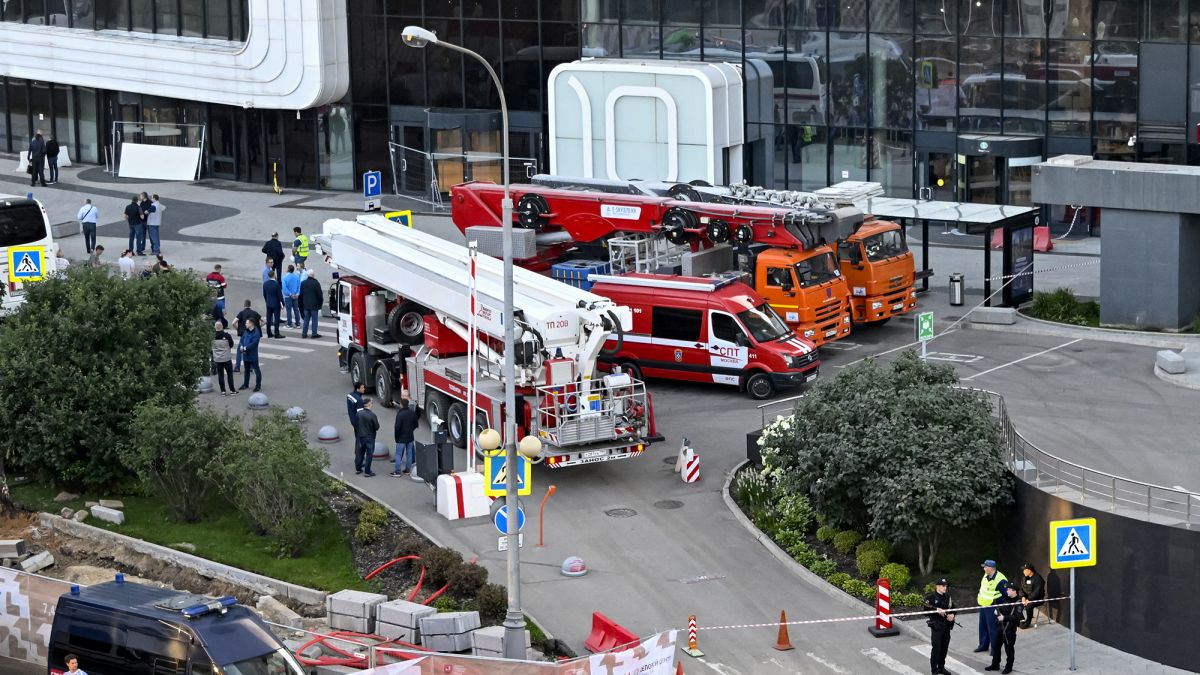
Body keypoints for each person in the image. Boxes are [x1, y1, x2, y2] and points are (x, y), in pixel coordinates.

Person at [923, 578, 956, 675]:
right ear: (937, 586)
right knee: (936, 649)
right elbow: (925, 610)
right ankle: (934, 671)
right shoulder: (931, 598)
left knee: (944, 648)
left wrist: (952, 615)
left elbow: (954, 608)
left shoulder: (948, 597)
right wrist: (936, 609)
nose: (945, 588)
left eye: (946, 586)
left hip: (947, 626)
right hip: (937, 627)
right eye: (943, 586)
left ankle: (941, 667)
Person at [986, 582, 1020, 673]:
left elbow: (1018, 617)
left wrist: (1004, 617)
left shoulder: (1018, 602)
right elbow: (1000, 608)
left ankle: (1008, 667)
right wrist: (997, 612)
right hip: (1000, 627)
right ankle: (995, 664)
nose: (1007, 591)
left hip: (1009, 629)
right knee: (996, 647)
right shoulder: (1005, 598)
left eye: (1009, 589)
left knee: (1009, 650)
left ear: (1014, 591)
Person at [975, 559, 1008, 654]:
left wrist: (999, 607)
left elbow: (1005, 595)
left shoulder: (1001, 580)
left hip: (993, 607)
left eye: (985, 567)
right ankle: (983, 646)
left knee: (993, 629)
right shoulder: (986, 575)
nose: (984, 568)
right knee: (983, 627)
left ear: (991, 568)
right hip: (983, 605)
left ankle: (995, 649)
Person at [391, 397, 422, 476]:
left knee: (398, 455)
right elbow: (416, 424)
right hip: (410, 437)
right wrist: (411, 430)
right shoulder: (412, 413)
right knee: (409, 454)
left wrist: (397, 437)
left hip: (401, 438)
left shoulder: (400, 414)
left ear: (401, 405)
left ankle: (397, 471)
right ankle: (407, 470)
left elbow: (397, 427)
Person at [234, 300, 262, 372]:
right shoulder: (255, 313)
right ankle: (251, 367)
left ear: (244, 305)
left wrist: (238, 329)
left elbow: (233, 322)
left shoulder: (241, 313)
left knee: (240, 350)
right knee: (252, 349)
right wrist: (258, 327)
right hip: (253, 333)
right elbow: (264, 321)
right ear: (250, 305)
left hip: (244, 334)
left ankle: (237, 367)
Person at [355, 398, 379, 477]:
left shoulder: (359, 413)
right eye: (371, 403)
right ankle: (367, 471)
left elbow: (356, 423)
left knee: (360, 452)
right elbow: (377, 427)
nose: (372, 405)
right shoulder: (372, 415)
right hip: (370, 437)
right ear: (369, 405)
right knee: (369, 454)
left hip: (361, 436)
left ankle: (358, 469)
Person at [212, 321, 237, 396]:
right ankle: (232, 390)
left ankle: (223, 391)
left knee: (220, 375)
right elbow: (231, 344)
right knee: (229, 374)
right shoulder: (227, 335)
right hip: (226, 358)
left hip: (217, 359)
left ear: (215, 327)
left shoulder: (212, 336)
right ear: (222, 327)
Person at [238, 318, 262, 392]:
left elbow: (254, 344)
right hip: (246, 354)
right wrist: (241, 345)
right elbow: (242, 339)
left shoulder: (256, 333)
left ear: (251, 323)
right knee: (246, 370)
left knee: (256, 370)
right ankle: (246, 384)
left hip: (252, 355)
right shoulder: (246, 331)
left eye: (247, 323)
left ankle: (258, 385)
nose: (245, 324)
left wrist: (245, 348)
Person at [1018, 563, 1045, 628]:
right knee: (1017, 603)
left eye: (1025, 570)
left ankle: (1028, 622)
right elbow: (1021, 589)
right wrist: (1023, 597)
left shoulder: (1038, 578)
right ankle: (1021, 619)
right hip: (1027, 598)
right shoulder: (1024, 578)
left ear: (1030, 570)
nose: (1023, 572)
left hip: (1038, 598)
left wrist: (1029, 599)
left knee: (1029, 605)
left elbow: (1038, 592)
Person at [299, 269, 323, 338]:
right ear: (313, 275)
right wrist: (320, 304)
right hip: (314, 305)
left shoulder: (303, 283)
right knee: (314, 320)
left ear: (307, 275)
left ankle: (304, 334)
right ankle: (314, 334)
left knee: (306, 320)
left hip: (306, 305)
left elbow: (301, 295)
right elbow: (319, 295)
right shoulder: (316, 283)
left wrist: (301, 304)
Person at [263, 270, 285, 338]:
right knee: (277, 318)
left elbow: (264, 294)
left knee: (269, 319)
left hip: (269, 303)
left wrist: (267, 301)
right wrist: (283, 303)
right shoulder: (276, 284)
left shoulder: (265, 284)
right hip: (276, 304)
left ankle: (269, 333)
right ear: (274, 275)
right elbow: (280, 295)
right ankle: (276, 333)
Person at [282, 264, 301, 328]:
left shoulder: (285, 278)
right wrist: (297, 294)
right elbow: (299, 287)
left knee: (288, 310)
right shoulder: (296, 277)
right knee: (296, 310)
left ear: (288, 269)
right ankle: (298, 323)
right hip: (296, 296)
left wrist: (290, 294)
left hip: (288, 297)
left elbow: (284, 288)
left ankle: (289, 324)